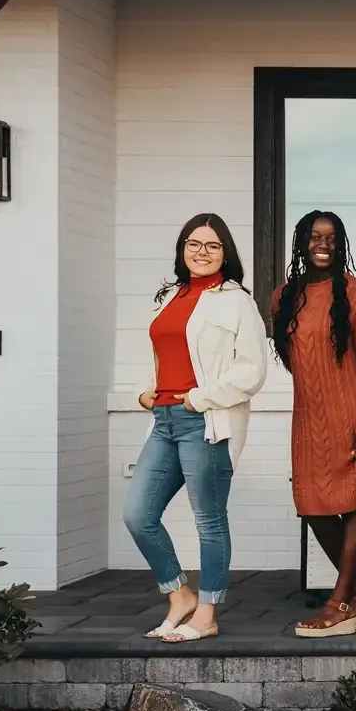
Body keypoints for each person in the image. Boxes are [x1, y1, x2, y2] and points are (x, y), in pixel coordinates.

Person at [126, 214, 268, 644]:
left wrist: (198, 397)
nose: (201, 252)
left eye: (212, 245)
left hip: (205, 422)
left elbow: (252, 372)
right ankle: (179, 595)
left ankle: (206, 612)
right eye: (193, 243)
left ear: (226, 253)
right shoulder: (169, 296)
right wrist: (145, 390)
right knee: (138, 514)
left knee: (208, 520)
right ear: (181, 248)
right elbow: (165, 353)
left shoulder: (237, 301)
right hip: (164, 419)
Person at [272, 210, 356, 639]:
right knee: (312, 504)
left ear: (341, 244)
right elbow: (292, 357)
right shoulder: (284, 296)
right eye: (314, 237)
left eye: (332, 237)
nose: (323, 244)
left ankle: (341, 600)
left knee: (353, 500)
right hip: (308, 417)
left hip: (350, 414)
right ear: (302, 243)